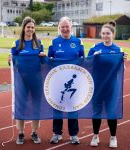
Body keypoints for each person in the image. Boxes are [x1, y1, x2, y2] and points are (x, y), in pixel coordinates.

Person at [88, 21, 128, 148]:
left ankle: (113, 137)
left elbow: (122, 69)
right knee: (96, 112)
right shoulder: (94, 47)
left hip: (111, 87)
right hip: (97, 86)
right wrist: (92, 58)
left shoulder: (118, 50)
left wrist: (123, 61)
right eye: (103, 33)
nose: (105, 36)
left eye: (108, 33)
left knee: (111, 112)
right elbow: (87, 65)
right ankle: (95, 136)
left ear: (113, 34)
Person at [8, 16, 46, 145]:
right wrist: (9, 60)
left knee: (36, 106)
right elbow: (12, 63)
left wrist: (43, 57)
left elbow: (43, 63)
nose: (30, 29)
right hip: (21, 80)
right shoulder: (17, 43)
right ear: (24, 28)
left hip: (36, 79)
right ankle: (20, 133)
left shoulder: (39, 43)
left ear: (34, 29)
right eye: (28, 26)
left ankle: (34, 132)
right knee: (21, 106)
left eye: (32, 27)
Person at [48, 16, 85, 145]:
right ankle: (56, 133)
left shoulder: (78, 42)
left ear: (71, 27)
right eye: (62, 26)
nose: (65, 29)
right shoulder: (53, 42)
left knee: (73, 107)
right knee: (57, 107)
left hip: (74, 82)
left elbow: (84, 61)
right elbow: (48, 61)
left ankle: (73, 134)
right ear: (59, 27)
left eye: (67, 26)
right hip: (58, 83)